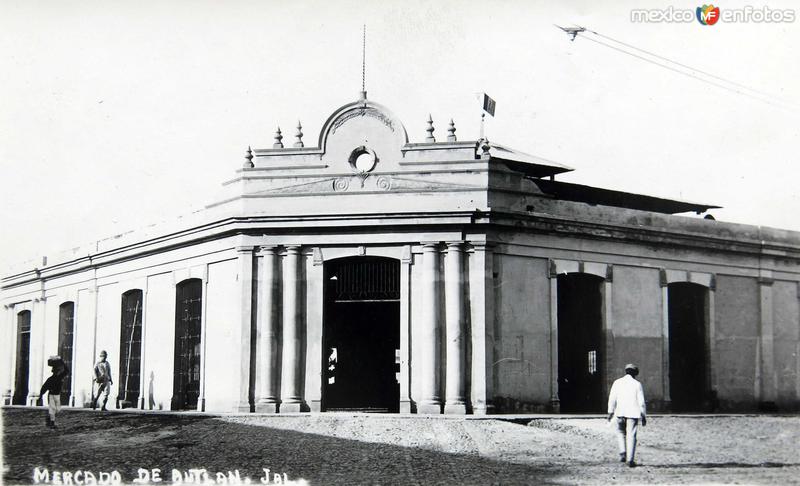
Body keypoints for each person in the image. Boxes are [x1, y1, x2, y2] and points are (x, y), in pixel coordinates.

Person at [607, 363, 647, 467]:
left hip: (620, 412)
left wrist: (610, 412)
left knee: (620, 432)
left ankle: (622, 452)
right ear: (634, 374)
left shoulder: (617, 382)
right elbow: (641, 402)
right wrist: (643, 415)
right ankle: (630, 459)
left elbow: (612, 398)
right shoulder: (637, 384)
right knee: (631, 435)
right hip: (633, 413)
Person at [40, 356, 69, 428]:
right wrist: (40, 395)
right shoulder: (50, 379)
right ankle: (52, 423)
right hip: (51, 395)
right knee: (52, 409)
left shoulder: (60, 377)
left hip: (57, 395)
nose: (57, 371)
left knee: (57, 409)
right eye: (56, 370)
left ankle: (49, 419)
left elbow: (67, 371)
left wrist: (62, 362)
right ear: (54, 371)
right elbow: (44, 387)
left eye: (57, 370)